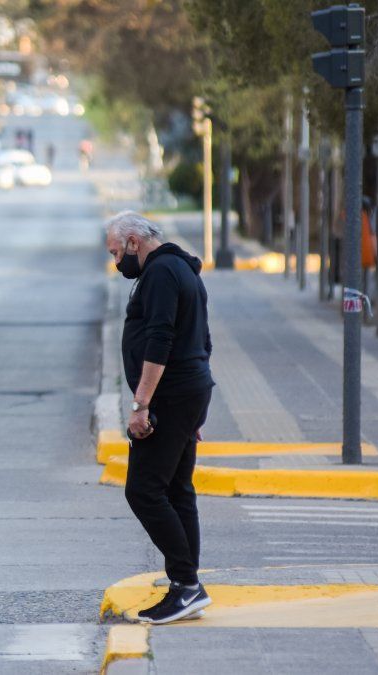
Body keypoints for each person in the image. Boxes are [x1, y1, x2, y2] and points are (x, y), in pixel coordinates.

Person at [105, 211, 215, 625]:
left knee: (144, 491)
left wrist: (141, 405)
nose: (117, 262)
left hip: (170, 397)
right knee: (177, 490)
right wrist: (194, 409)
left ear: (134, 241)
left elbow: (161, 338)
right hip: (187, 393)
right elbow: (202, 338)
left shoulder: (161, 273)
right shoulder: (181, 267)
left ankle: (186, 584)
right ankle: (186, 588)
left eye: (117, 253)